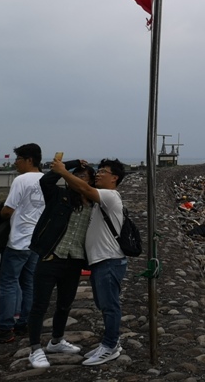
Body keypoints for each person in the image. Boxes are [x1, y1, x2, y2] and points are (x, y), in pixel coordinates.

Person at [52, 157, 127, 366]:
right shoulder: (99, 199)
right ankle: (110, 343)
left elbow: (83, 188)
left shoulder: (109, 196)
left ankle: (110, 346)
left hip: (109, 261)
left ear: (115, 178)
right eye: (99, 170)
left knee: (110, 306)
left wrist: (62, 171)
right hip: (101, 262)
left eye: (103, 171)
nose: (98, 174)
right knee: (104, 305)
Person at [26, 161, 96, 368]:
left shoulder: (94, 203)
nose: (79, 179)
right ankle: (35, 348)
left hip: (74, 261)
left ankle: (56, 340)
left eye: (84, 176)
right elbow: (46, 179)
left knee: (65, 304)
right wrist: (70, 165)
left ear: (91, 181)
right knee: (40, 304)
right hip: (51, 257)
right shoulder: (58, 196)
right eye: (77, 175)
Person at [0, 143, 45, 344]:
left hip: (19, 240)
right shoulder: (46, 179)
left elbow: (7, 210)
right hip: (36, 241)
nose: (16, 163)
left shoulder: (21, 180)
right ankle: (24, 323)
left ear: (29, 160)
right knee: (28, 282)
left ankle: (5, 327)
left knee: (8, 283)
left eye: (18, 159)